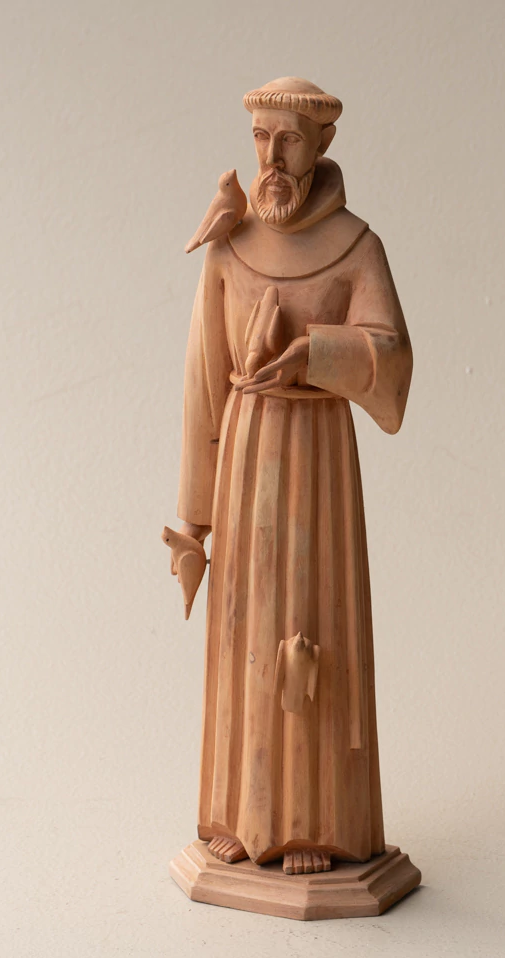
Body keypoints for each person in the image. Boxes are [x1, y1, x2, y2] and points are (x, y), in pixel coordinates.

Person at [172, 77, 412, 876]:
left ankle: (317, 825)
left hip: (318, 464)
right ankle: (243, 815)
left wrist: (315, 353)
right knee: (246, 630)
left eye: (290, 141)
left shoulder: (356, 246)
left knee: (314, 629)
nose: (272, 158)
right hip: (245, 459)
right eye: (261, 140)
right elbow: (204, 383)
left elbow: (392, 360)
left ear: (322, 147)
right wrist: (192, 523)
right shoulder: (229, 246)